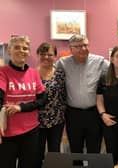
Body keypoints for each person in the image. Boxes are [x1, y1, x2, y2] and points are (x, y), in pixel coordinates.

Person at [56, 34, 109, 153]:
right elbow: (49, 74)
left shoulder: (100, 62)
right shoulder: (63, 63)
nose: (83, 48)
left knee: (94, 149)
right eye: (79, 46)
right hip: (73, 114)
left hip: (94, 114)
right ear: (71, 49)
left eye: (85, 45)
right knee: (75, 149)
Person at [0, 35, 47, 168]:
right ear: (9, 50)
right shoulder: (3, 72)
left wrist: (20, 107)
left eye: (25, 48)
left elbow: (43, 100)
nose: (22, 50)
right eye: (17, 47)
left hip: (31, 130)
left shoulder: (33, 73)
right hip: (7, 132)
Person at [36, 42, 66, 167]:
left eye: (50, 55)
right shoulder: (31, 74)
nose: (46, 57)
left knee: (55, 152)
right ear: (38, 55)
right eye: (43, 54)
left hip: (56, 119)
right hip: (36, 120)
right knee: (37, 152)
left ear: (55, 57)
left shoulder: (60, 74)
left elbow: (65, 95)